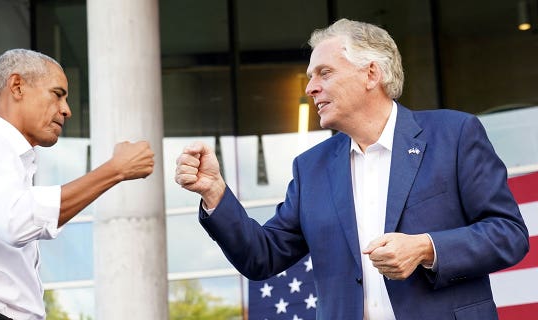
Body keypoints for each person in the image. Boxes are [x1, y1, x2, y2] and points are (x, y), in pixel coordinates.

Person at [175, 19, 529, 320]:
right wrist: (214, 193)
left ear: (371, 73)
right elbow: (261, 257)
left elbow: (508, 234)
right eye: (311, 76)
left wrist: (426, 247)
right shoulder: (310, 168)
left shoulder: (454, 135)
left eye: (324, 73)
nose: (310, 87)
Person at [0, 49, 155, 320]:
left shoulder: (7, 160)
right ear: (17, 86)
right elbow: (17, 221)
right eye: (57, 94)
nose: (67, 109)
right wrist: (115, 170)